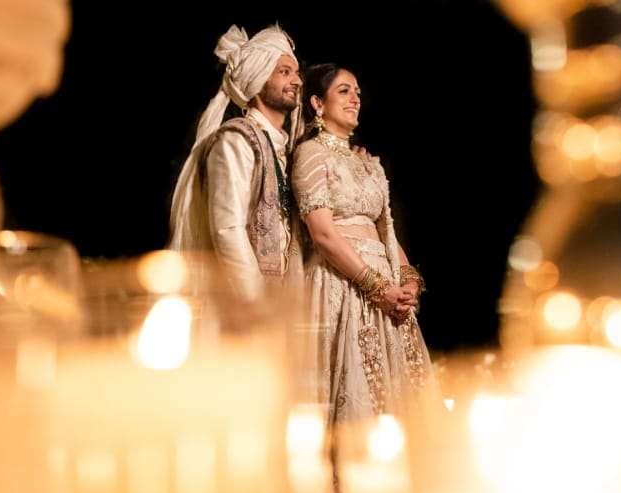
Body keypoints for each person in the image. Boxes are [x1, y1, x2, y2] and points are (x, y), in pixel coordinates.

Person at [291, 64, 433, 421]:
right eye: (343, 91)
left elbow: (387, 232)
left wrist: (408, 282)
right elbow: (323, 234)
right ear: (317, 103)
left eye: (356, 91)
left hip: (389, 291)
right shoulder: (311, 154)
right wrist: (376, 286)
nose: (355, 98)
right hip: (341, 283)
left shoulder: (369, 164)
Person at [169, 25, 304, 322]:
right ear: (258, 79)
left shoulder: (282, 147)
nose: (297, 80)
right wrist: (255, 301)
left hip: (280, 305)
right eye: (284, 72)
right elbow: (227, 229)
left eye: (296, 73)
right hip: (241, 310)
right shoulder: (236, 140)